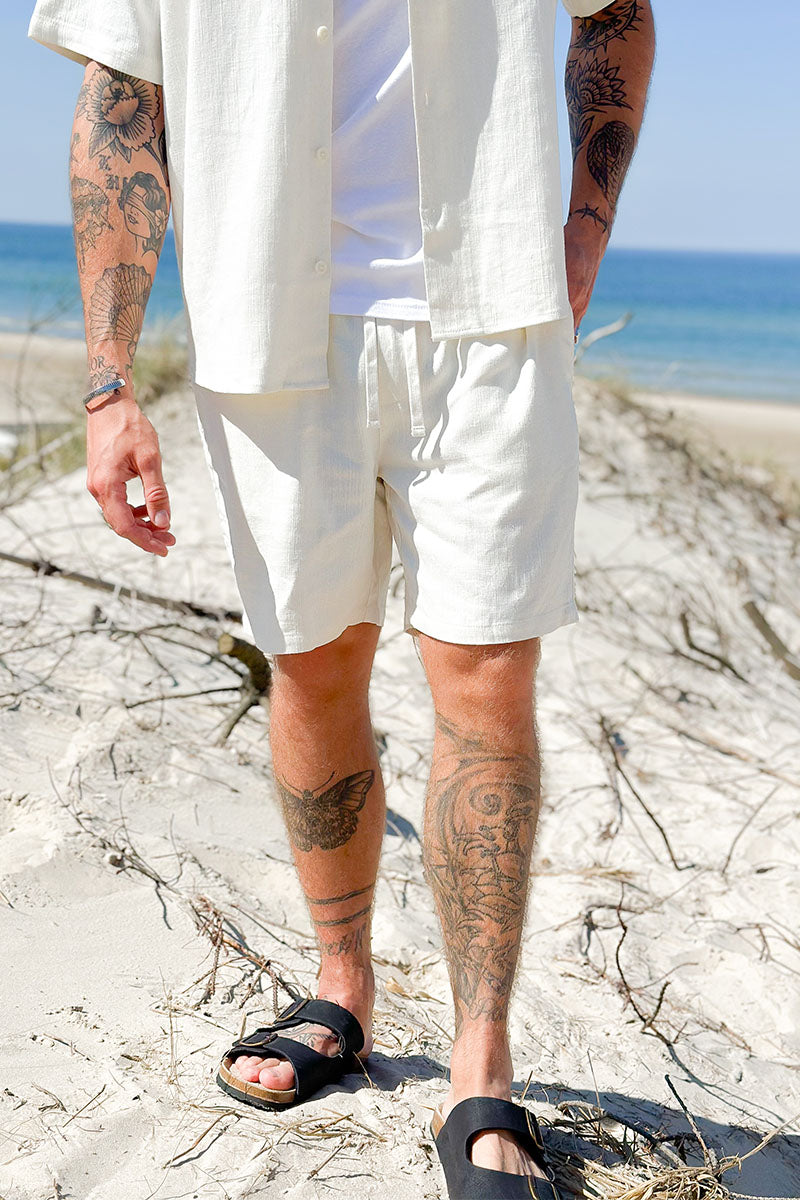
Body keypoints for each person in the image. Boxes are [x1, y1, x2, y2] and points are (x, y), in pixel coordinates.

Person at [28, 0, 655, 1194]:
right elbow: (122, 108)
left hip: (489, 316)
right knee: (313, 663)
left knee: (485, 674)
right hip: (265, 319)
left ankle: (480, 1067)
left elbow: (615, 16)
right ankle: (342, 991)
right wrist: (109, 386)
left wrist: (583, 224)